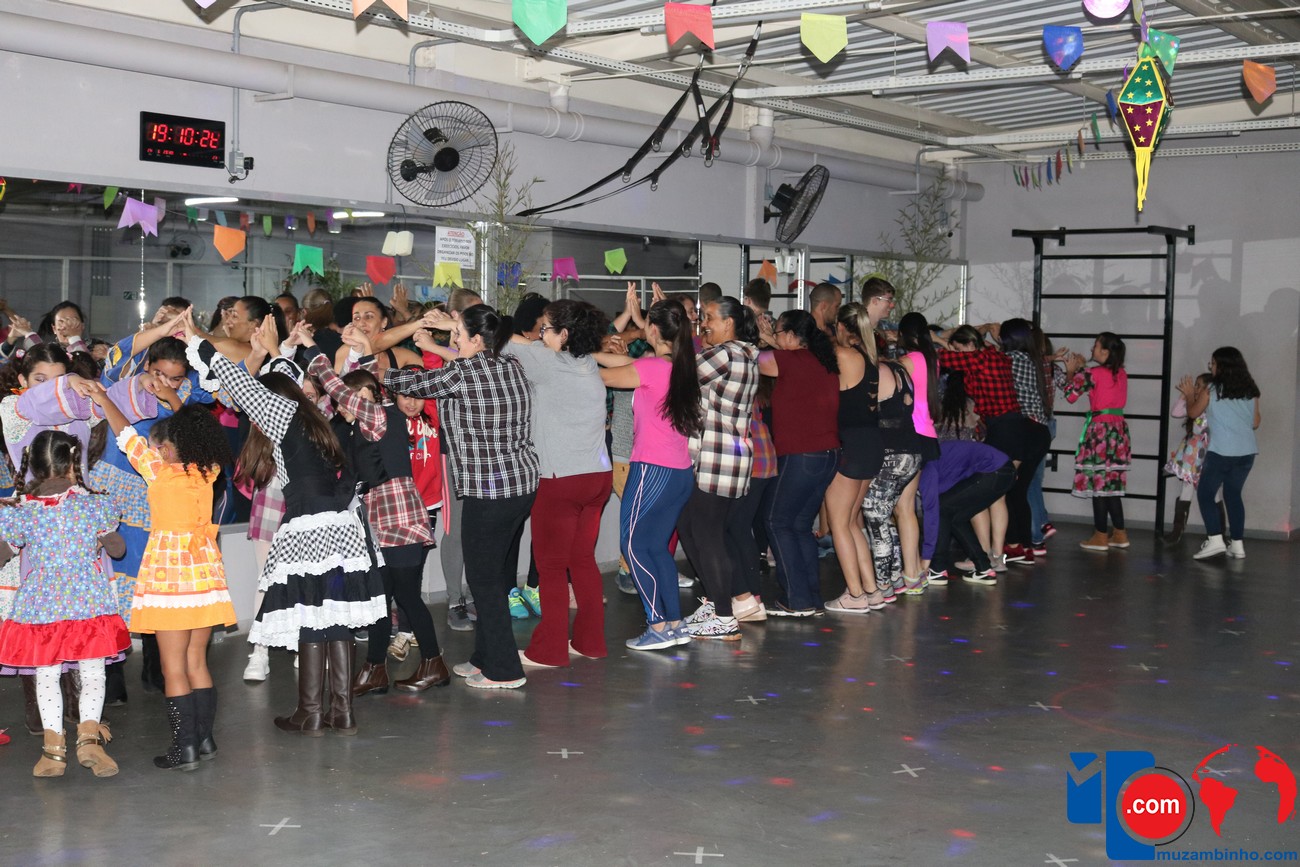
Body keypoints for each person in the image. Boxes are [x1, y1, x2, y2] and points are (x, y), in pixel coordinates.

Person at [184, 312, 385, 736]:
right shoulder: (315, 416)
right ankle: (341, 711)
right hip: (340, 526)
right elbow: (333, 391)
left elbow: (240, 385)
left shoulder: (281, 411)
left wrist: (197, 343)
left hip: (310, 525)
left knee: (312, 614)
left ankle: (311, 712)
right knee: (333, 616)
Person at [384, 305, 539, 688]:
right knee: (492, 575)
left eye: (457, 335)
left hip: (490, 491)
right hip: (520, 485)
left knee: (484, 581)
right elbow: (466, 359)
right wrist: (450, 328)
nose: (452, 341)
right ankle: (484, 658)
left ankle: (504, 670)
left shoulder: (463, 373)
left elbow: (414, 384)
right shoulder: (512, 364)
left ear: (476, 339)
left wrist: (367, 364)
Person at [293, 324, 446, 695]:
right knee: (381, 599)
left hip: (398, 513)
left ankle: (433, 664)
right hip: (380, 515)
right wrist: (362, 348)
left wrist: (311, 346)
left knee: (407, 595)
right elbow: (360, 380)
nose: (347, 403)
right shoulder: (370, 421)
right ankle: (375, 669)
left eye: (356, 398)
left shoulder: (379, 416)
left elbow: (336, 385)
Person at [89, 393, 237, 771]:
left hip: (169, 578)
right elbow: (191, 431)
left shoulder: (158, 470)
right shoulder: (208, 471)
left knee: (173, 668)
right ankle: (204, 738)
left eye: (155, 445)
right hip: (205, 574)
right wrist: (175, 403)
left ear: (166, 450)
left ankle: (183, 748)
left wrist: (103, 398)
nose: (151, 450)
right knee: (196, 661)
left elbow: (125, 435)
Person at [487, 300, 612, 667]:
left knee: (552, 568)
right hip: (596, 477)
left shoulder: (545, 361)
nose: (540, 336)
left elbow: (498, 340)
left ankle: (550, 650)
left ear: (565, 334)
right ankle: (590, 642)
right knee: (582, 560)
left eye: (546, 329)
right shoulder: (588, 363)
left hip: (560, 480)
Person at [0, 430, 128, 778]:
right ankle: (90, 743)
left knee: (47, 674)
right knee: (92, 673)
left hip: (41, 605)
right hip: (88, 602)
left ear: (34, 465)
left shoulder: (22, 512)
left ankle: (52, 753)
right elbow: (117, 548)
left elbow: (5, 551)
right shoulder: (94, 506)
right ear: (73, 463)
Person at [598, 299, 702, 650]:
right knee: (656, 548)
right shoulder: (682, 364)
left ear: (653, 330)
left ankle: (657, 625)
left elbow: (605, 376)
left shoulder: (653, 368)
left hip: (652, 469)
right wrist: (594, 354)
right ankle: (674, 623)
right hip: (679, 472)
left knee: (632, 545)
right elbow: (624, 364)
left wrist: (573, 357)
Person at [935, 323, 1050, 570]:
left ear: (970, 345)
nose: (958, 355)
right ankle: (995, 556)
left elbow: (943, 359)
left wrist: (938, 339)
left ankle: (988, 555)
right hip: (1010, 428)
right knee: (997, 495)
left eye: (959, 349)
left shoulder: (981, 360)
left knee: (989, 493)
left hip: (1004, 428)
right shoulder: (993, 356)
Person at [678, 297, 759, 641]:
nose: (704, 323)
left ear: (729, 323)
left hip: (717, 458)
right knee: (694, 528)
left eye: (709, 317)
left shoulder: (726, 355)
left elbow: (679, 375)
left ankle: (724, 616)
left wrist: (671, 334)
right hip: (727, 457)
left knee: (705, 535)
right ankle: (719, 604)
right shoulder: (743, 355)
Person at [756, 310, 840, 616]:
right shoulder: (821, 360)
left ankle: (797, 600)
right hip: (827, 454)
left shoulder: (789, 361)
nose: (775, 338)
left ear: (792, 335)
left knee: (776, 522)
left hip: (801, 454)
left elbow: (752, 361)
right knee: (800, 526)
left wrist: (756, 339)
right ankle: (811, 598)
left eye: (778, 332)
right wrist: (770, 338)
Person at [1186, 347, 1260, 560]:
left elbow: (1193, 412)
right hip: (1246, 452)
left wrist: (1190, 395)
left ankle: (1215, 539)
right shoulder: (1250, 389)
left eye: (1213, 363)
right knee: (1233, 495)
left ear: (1221, 366)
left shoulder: (1211, 389)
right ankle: (1237, 544)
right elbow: (1255, 422)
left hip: (1221, 451)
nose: (1211, 367)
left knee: (1205, 494)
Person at [863, 352, 924, 600]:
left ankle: (883, 584)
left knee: (875, 515)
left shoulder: (880, 371)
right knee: (885, 515)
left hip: (893, 454)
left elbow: (868, 414)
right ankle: (896, 577)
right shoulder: (900, 371)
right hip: (910, 451)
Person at [1063, 332, 1131, 551]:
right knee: (1112, 486)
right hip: (1118, 431)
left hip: (1100, 432)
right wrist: (1082, 369)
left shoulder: (1092, 373)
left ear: (1105, 351)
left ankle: (1100, 535)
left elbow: (1070, 395)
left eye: (1096, 345)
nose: (1092, 349)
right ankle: (1119, 533)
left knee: (1098, 484)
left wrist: (1071, 371)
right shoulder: (1121, 373)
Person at [922, 440, 1017, 586]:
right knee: (956, 517)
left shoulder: (927, 465)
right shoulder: (934, 458)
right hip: (1006, 471)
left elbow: (932, 511)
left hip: (993, 470)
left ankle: (937, 569)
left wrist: (926, 558)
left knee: (941, 509)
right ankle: (984, 569)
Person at [894, 312, 941, 590]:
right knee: (908, 507)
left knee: (903, 507)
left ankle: (912, 574)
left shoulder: (907, 362)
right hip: (927, 434)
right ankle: (913, 572)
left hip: (911, 434)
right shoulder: (931, 359)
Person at [1163, 373, 1213, 544]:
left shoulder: (1210, 407)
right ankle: (1177, 532)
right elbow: (1176, 412)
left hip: (1206, 456)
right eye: (1195, 385)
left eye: (1199, 385)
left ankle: (1219, 534)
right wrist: (1185, 395)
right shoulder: (1193, 405)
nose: (1195, 388)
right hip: (1191, 458)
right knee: (1186, 489)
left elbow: (1201, 428)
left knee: (1214, 493)